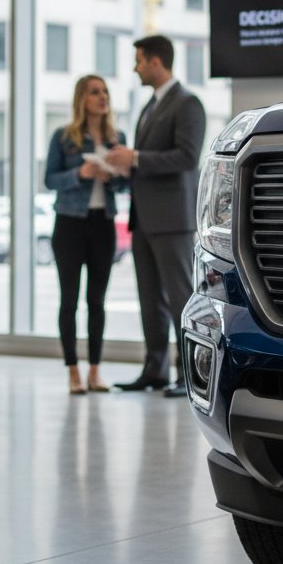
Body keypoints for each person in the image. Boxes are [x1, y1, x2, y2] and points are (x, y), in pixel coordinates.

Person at [106, 34, 206, 397]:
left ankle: (189, 375)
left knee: (181, 298)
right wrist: (124, 165)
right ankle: (156, 370)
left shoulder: (187, 103)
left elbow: (187, 157)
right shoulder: (151, 105)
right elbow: (148, 162)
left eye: (139, 60)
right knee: (150, 299)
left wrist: (135, 158)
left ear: (156, 61)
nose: (135, 68)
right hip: (145, 218)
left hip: (172, 219)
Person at [44, 74, 127, 395]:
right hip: (69, 223)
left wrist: (114, 178)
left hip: (102, 223)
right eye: (95, 92)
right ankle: (73, 372)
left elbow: (126, 184)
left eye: (105, 91)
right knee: (69, 301)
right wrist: (80, 173)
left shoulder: (117, 137)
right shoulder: (64, 137)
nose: (102, 97)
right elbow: (50, 179)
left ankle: (95, 371)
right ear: (83, 99)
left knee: (97, 300)